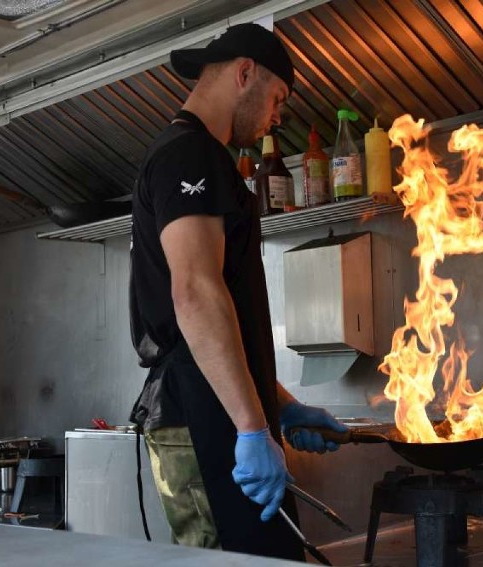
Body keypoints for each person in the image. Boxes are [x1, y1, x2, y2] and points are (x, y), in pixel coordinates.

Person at [127, 22, 347, 560]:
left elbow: (224, 319)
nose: (277, 117)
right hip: (201, 416)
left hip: (221, 412)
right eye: (277, 99)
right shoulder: (189, 154)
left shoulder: (202, 157)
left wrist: (281, 406)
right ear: (245, 73)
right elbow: (196, 296)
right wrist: (252, 429)